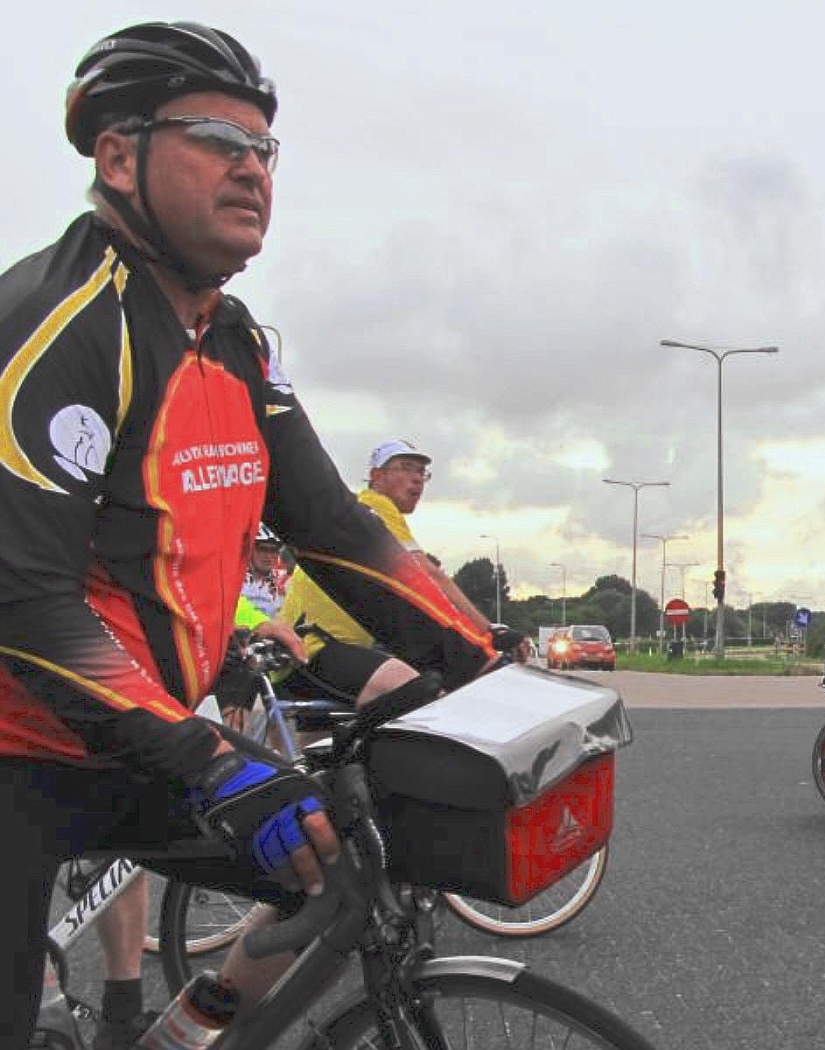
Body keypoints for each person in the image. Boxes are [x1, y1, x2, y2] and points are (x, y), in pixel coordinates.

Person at [0, 22, 496, 1049]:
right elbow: (28, 604)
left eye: (263, 148)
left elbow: (339, 532)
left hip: (130, 741)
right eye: (215, 137)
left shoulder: (236, 343)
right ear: (118, 156)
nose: (250, 167)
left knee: (343, 862)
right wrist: (215, 764)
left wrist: (487, 663)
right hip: (13, 753)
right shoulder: (62, 327)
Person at [278, 439, 496, 689]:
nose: (417, 478)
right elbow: (428, 576)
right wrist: (489, 632)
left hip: (306, 650)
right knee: (419, 689)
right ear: (376, 476)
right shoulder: (375, 506)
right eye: (405, 467)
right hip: (314, 648)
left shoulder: (363, 509)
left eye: (421, 472)